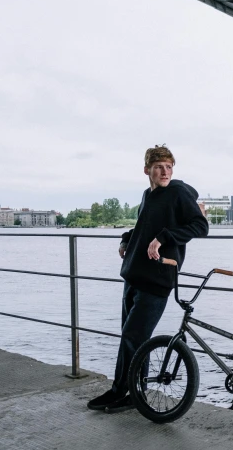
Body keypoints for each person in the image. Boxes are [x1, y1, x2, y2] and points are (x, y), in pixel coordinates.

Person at [87, 145, 209, 412]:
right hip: (133, 275)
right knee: (133, 339)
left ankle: (120, 392)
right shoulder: (147, 195)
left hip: (158, 279)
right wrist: (127, 238)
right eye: (158, 167)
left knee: (133, 336)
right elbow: (145, 226)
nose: (165, 172)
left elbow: (200, 226)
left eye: (168, 167)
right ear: (147, 170)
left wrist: (163, 238)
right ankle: (135, 392)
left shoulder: (177, 192)